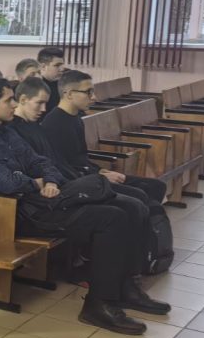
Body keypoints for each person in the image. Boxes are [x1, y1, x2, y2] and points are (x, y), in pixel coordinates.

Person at [0, 78, 162, 334]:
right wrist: (36, 183)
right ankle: (99, 304)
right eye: (8, 100)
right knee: (112, 218)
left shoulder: (7, 132)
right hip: (21, 214)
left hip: (43, 201)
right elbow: (8, 183)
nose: (13, 104)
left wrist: (49, 180)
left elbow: (42, 162)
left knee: (131, 206)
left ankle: (127, 288)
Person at [10, 78, 168, 301]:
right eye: (39, 103)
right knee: (127, 208)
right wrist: (65, 181)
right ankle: (117, 284)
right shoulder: (14, 131)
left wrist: (81, 178)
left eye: (46, 103)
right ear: (22, 100)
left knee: (135, 204)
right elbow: (28, 174)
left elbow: (55, 163)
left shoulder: (34, 126)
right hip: (45, 201)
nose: (44, 109)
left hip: (63, 186)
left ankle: (129, 282)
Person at [42, 70, 168, 208]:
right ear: (69, 94)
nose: (94, 97)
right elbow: (63, 167)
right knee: (139, 196)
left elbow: (81, 158)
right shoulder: (54, 123)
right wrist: (100, 176)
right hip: (79, 182)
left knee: (156, 186)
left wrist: (101, 171)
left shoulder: (76, 117)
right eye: (88, 92)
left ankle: (150, 219)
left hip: (90, 174)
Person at [37, 47, 66, 115]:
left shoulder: (64, 85)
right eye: (57, 65)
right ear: (43, 67)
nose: (62, 69)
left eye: (62, 65)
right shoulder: (36, 88)